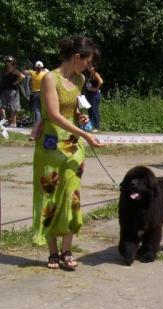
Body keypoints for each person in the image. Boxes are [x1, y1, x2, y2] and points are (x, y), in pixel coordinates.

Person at [32, 36, 102, 270]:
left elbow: (73, 111)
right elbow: (53, 114)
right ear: (76, 58)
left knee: (72, 198)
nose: (89, 68)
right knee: (50, 199)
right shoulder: (50, 79)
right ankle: (52, 253)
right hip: (50, 148)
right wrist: (86, 135)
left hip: (73, 148)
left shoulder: (80, 79)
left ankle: (67, 250)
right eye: (87, 62)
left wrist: (82, 120)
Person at [1, 57, 25, 127]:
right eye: (6, 61)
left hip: (12, 90)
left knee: (13, 107)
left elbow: (22, 76)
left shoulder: (14, 70)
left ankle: (13, 123)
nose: (7, 62)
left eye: (8, 61)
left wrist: (15, 82)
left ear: (12, 62)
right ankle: (4, 121)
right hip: (4, 90)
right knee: (2, 105)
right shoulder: (5, 70)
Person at [83, 64, 103, 131]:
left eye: (90, 67)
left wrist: (96, 89)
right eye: (88, 67)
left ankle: (97, 127)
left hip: (95, 95)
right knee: (90, 110)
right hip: (89, 94)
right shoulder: (89, 75)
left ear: (94, 67)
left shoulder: (95, 74)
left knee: (94, 110)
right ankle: (91, 126)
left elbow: (101, 81)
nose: (88, 68)